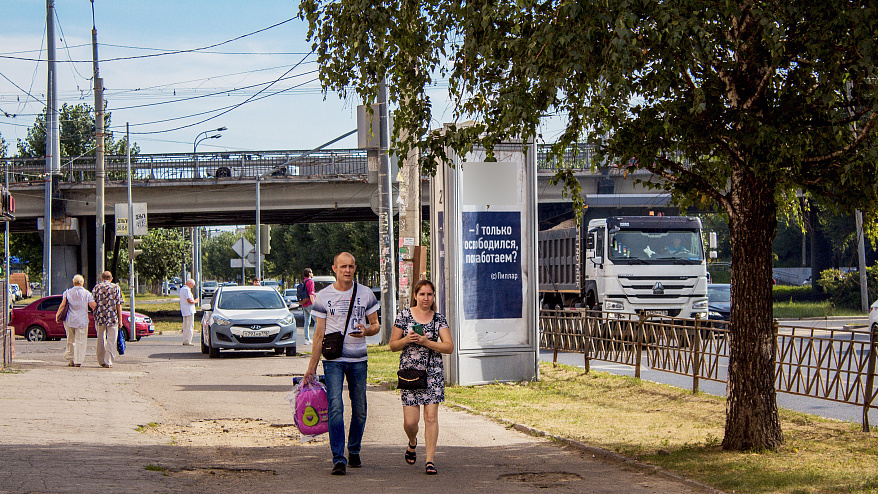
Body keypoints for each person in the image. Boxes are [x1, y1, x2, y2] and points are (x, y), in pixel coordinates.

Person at [304, 252, 380, 476]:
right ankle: (338, 458)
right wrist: (311, 368)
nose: (347, 270)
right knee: (335, 407)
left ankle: (354, 448)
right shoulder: (324, 296)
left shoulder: (365, 294)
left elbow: (375, 325)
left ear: (355, 268)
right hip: (333, 360)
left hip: (359, 360)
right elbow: (318, 335)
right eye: (343, 266)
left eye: (351, 266)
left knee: (360, 409)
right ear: (334, 269)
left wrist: (367, 330)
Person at [389, 279, 454, 476]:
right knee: (411, 423)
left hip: (432, 372)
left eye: (429, 294)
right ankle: (412, 442)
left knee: (431, 417)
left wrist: (427, 342)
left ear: (433, 297)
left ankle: (430, 460)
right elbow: (392, 345)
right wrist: (407, 339)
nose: (426, 298)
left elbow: (449, 346)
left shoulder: (438, 319)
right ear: (415, 296)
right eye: (422, 294)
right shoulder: (404, 316)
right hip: (409, 373)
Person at [59, 274, 96, 367]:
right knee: (80, 341)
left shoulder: (67, 292)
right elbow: (92, 305)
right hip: (82, 320)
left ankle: (71, 359)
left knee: (70, 340)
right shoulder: (87, 293)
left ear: (73, 282)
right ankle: (78, 361)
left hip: (70, 319)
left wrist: (57, 315)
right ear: (82, 283)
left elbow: (63, 305)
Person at [92, 271, 124, 368]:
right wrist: (120, 320)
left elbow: (92, 303)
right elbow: (119, 304)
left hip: (100, 317)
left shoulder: (96, 287)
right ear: (111, 278)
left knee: (100, 338)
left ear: (102, 278)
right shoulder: (116, 288)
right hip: (112, 317)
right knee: (111, 339)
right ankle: (108, 360)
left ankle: (101, 360)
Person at [179, 279, 198, 346]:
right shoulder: (187, 290)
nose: (192, 287)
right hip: (189, 310)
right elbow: (189, 300)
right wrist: (195, 301)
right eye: (192, 285)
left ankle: (185, 340)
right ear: (189, 283)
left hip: (184, 310)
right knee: (190, 326)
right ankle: (188, 341)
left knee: (185, 326)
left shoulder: (181, 289)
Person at [300, 268, 316, 344]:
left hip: (304, 304)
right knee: (316, 321)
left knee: (307, 321)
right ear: (309, 273)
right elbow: (311, 294)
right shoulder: (310, 282)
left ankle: (306, 339)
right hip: (310, 303)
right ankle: (315, 337)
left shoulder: (304, 281)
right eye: (311, 272)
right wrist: (314, 304)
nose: (312, 274)